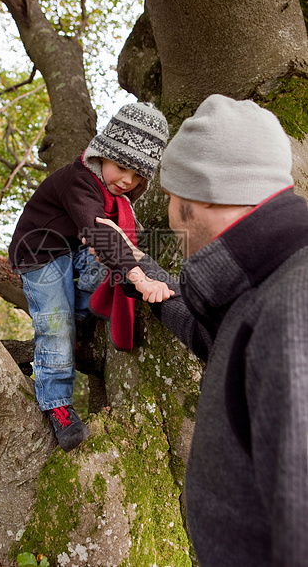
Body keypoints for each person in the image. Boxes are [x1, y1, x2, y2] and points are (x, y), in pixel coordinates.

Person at [90, 94, 308, 566]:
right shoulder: (268, 289)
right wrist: (138, 267)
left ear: (200, 195)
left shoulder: (295, 311)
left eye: (170, 195)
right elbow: (215, 335)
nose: (169, 210)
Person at [8, 102, 171, 452]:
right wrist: (139, 278)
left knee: (107, 264)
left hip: (72, 249)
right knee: (55, 323)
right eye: (121, 167)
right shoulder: (79, 181)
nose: (127, 181)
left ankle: (81, 317)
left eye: (138, 176)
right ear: (102, 155)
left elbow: (126, 238)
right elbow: (101, 233)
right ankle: (57, 405)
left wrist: (148, 271)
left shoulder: (119, 201)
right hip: (39, 254)